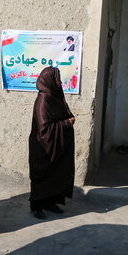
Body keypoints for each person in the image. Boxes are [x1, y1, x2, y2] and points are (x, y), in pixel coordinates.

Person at [28, 66, 75, 220]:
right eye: (58, 79)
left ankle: (49, 202)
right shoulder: (43, 101)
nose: (60, 82)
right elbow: (44, 130)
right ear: (50, 81)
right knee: (42, 175)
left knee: (55, 174)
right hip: (43, 147)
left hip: (55, 147)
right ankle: (36, 206)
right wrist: (66, 124)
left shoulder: (54, 97)